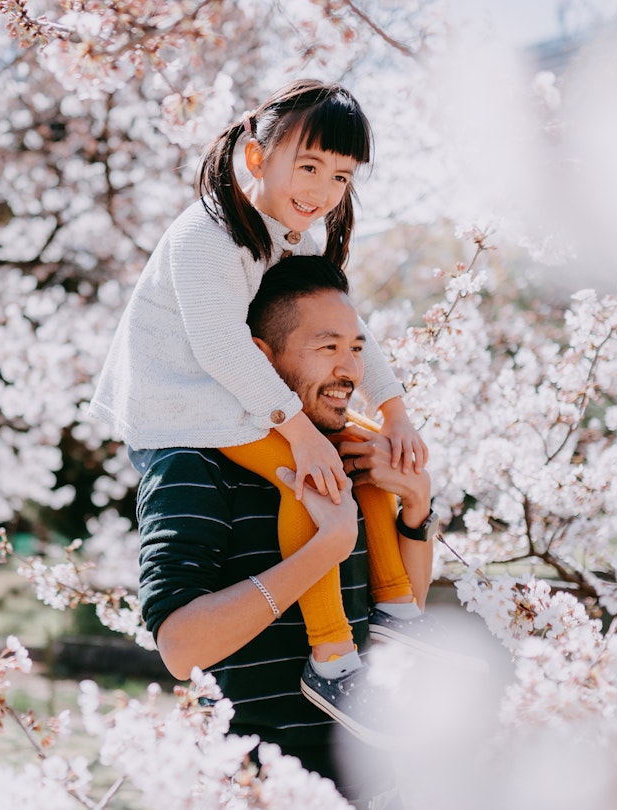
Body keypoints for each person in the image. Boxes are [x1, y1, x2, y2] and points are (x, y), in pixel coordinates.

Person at [87, 79, 431, 721]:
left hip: (245, 399)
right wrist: (301, 431)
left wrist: (395, 413)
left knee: (360, 448)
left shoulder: (299, 238)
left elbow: (357, 332)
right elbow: (220, 345)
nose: (322, 191)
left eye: (340, 177)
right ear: (255, 157)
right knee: (316, 477)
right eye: (308, 166)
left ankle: (397, 611)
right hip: (187, 408)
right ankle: (333, 659)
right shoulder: (208, 234)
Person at [137, 255, 436, 805]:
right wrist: (324, 550)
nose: (349, 370)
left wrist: (417, 510)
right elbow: (180, 647)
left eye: (356, 349)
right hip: (256, 786)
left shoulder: (344, 454)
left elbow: (396, 612)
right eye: (327, 348)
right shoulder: (192, 465)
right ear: (259, 359)